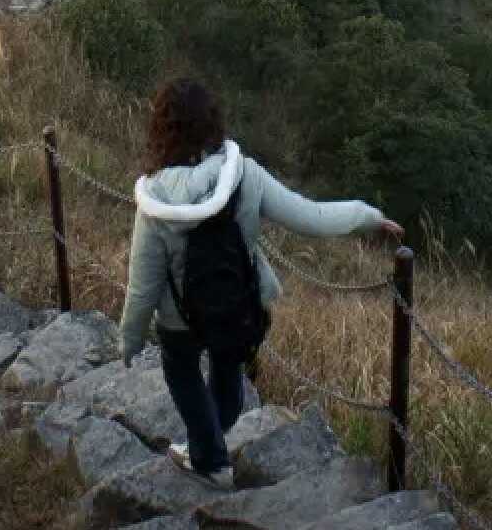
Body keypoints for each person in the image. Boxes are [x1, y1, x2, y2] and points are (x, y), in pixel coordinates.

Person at [118, 78, 400, 487]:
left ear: (163, 129)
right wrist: (368, 215)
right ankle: (218, 432)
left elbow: (142, 285)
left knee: (180, 370)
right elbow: (313, 218)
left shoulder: (155, 198)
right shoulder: (243, 173)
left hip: (178, 317)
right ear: (212, 123)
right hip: (233, 304)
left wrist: (129, 341)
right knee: (227, 361)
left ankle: (210, 460)